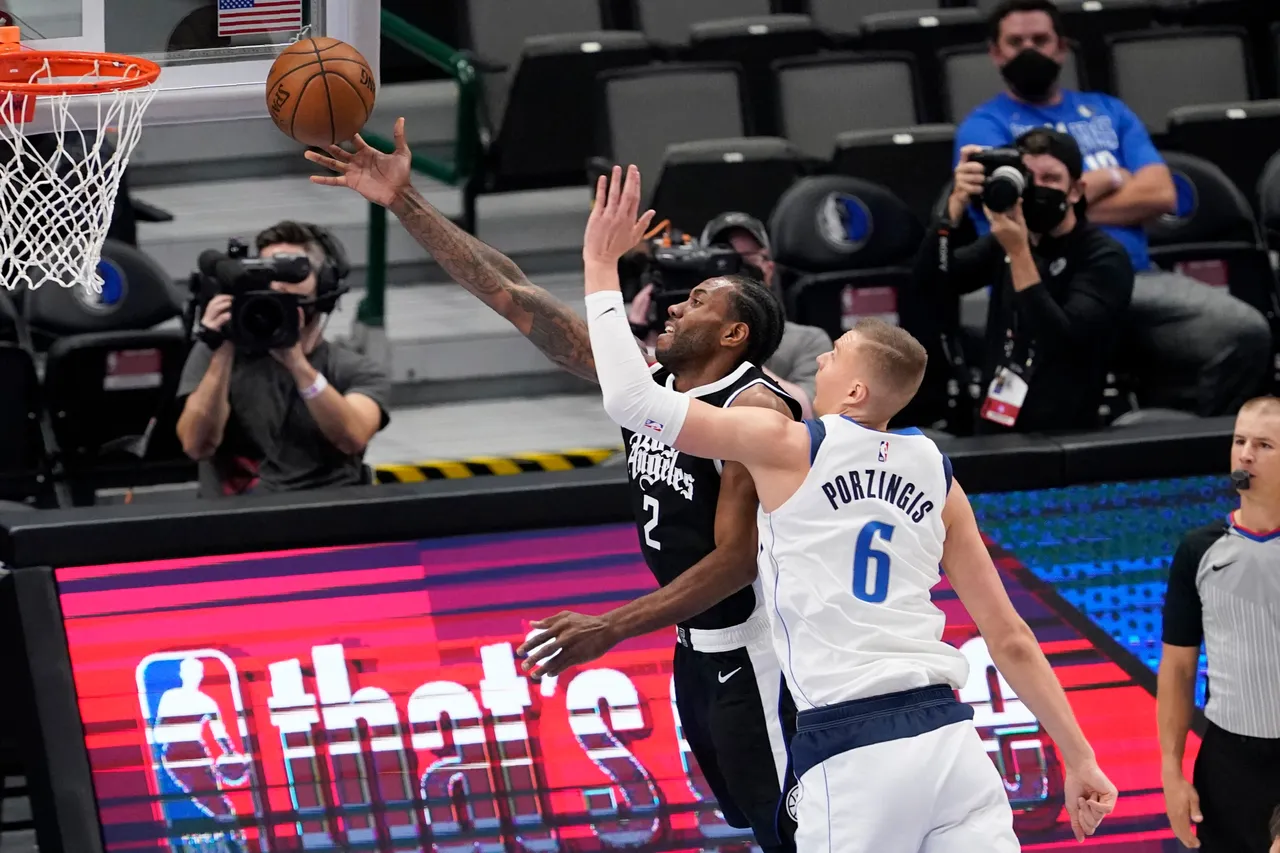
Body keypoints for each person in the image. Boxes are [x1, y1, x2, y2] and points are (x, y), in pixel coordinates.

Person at [556, 162, 1120, 852]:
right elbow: (1011, 640)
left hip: (853, 746)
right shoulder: (938, 476)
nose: (819, 363)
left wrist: (596, 263)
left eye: (836, 358)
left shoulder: (785, 442)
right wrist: (1080, 754)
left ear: (856, 392)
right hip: (950, 743)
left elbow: (634, 401)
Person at [305, 120, 803, 852]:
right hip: (695, 646)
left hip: (756, 646)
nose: (671, 303)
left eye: (697, 300)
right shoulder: (654, 384)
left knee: (795, 827)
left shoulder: (754, 407)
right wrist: (403, 200)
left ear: (734, 336)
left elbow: (736, 560)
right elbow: (515, 294)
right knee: (753, 819)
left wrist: (611, 626)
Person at [955, 0, 1270, 417]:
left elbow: (1161, 194)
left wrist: (1059, 202)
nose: (1029, 50)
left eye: (1040, 39)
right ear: (996, 53)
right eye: (1016, 42)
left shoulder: (1109, 111)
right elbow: (1018, 212)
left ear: (1061, 48)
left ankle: (1203, 450)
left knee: (1245, 332)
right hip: (1041, 283)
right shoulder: (983, 126)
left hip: (1134, 278)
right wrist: (1112, 177)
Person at [915, 128, 1133, 432]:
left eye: (1051, 179)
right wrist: (951, 209)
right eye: (1030, 178)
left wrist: (1018, 253)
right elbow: (933, 281)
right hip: (996, 423)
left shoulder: (1104, 257)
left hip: (1069, 433)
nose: (1039, 188)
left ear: (1076, 190)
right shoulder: (1003, 242)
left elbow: (1062, 339)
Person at [176, 221, 390, 495]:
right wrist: (223, 350)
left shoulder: (355, 369)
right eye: (266, 272)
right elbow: (196, 445)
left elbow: (352, 437)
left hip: (327, 518)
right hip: (235, 524)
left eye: (292, 273)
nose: (278, 285)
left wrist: (297, 363)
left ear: (324, 284)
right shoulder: (215, 355)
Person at [1159, 395, 1280, 852]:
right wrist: (1172, 772)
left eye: (1264, 445)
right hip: (1227, 759)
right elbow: (1177, 669)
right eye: (1239, 441)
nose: (1246, 454)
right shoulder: (1198, 550)